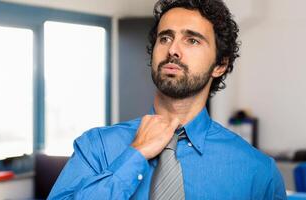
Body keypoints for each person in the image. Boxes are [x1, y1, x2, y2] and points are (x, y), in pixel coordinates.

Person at [48, 0, 287, 199]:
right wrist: (136, 154)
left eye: (192, 40)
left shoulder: (257, 172)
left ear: (220, 65)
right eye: (165, 38)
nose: (173, 49)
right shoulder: (95, 147)